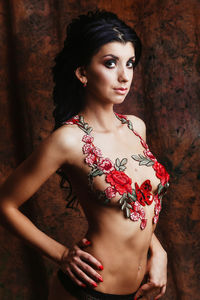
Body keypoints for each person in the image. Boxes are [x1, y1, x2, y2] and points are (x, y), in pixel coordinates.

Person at [0, 10, 170, 300]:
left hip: (140, 289)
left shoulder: (136, 127)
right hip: (88, 291)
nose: (124, 75)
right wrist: (62, 253)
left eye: (130, 63)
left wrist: (160, 252)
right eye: (110, 63)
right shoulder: (68, 139)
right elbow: (5, 204)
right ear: (82, 73)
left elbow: (139, 206)